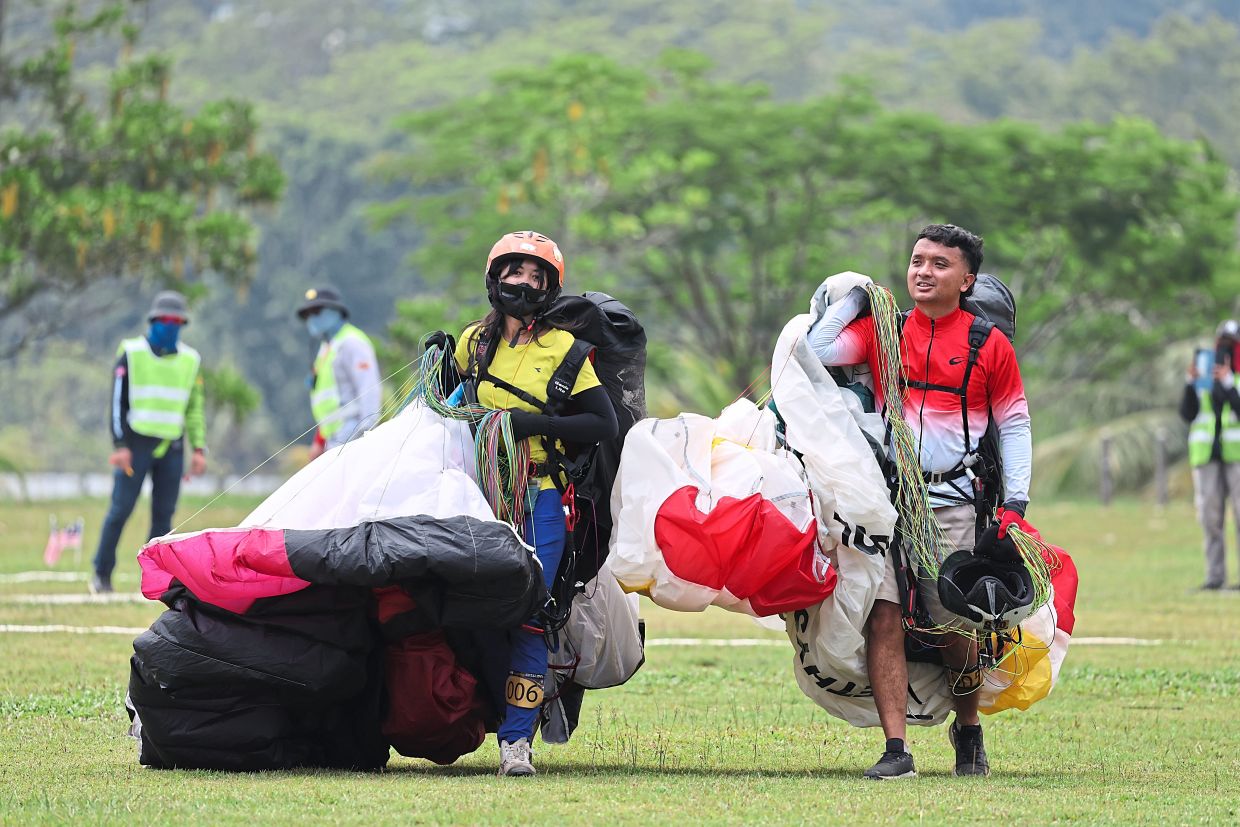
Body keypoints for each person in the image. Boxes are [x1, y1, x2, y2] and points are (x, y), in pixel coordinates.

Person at [808, 224, 1034, 779]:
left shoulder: (988, 345)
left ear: (967, 279)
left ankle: (969, 730)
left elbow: (1014, 424)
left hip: (953, 505)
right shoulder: (885, 332)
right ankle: (896, 749)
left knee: (956, 627)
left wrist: (1016, 505)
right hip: (884, 504)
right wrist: (859, 299)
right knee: (882, 616)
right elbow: (815, 350)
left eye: (939, 264)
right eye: (916, 261)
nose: (923, 272)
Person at [451, 230, 617, 777]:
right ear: (495, 279)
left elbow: (600, 422)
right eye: (515, 273)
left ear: (549, 290)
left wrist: (535, 425)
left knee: (527, 613)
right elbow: (444, 410)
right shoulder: (471, 343)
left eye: (535, 277)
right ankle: (515, 704)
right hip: (476, 498)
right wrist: (437, 365)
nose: (523, 284)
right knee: (473, 613)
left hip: (541, 498)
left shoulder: (565, 351)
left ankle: (516, 745)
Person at [91, 291, 208, 594]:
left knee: (164, 516)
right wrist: (120, 445)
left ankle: (157, 580)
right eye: (165, 320)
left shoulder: (191, 360)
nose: (170, 326)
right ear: (153, 322)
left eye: (177, 321)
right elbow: (117, 402)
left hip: (172, 446)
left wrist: (198, 448)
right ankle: (101, 574)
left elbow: (194, 407)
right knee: (120, 510)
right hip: (135, 445)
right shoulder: (131, 352)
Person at [1180, 319, 1240, 590]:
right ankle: (1216, 578)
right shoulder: (1203, 376)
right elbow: (1187, 413)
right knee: (1210, 518)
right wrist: (1190, 385)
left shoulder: (1235, 379)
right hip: (1207, 457)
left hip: (1236, 455)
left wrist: (1229, 385)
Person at [296, 286, 382, 459]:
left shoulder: (352, 342)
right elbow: (329, 404)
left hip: (352, 436)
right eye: (308, 314)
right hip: (334, 439)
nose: (311, 318)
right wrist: (319, 442)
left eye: (317, 311)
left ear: (335, 311)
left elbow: (369, 390)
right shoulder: (327, 348)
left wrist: (366, 436)